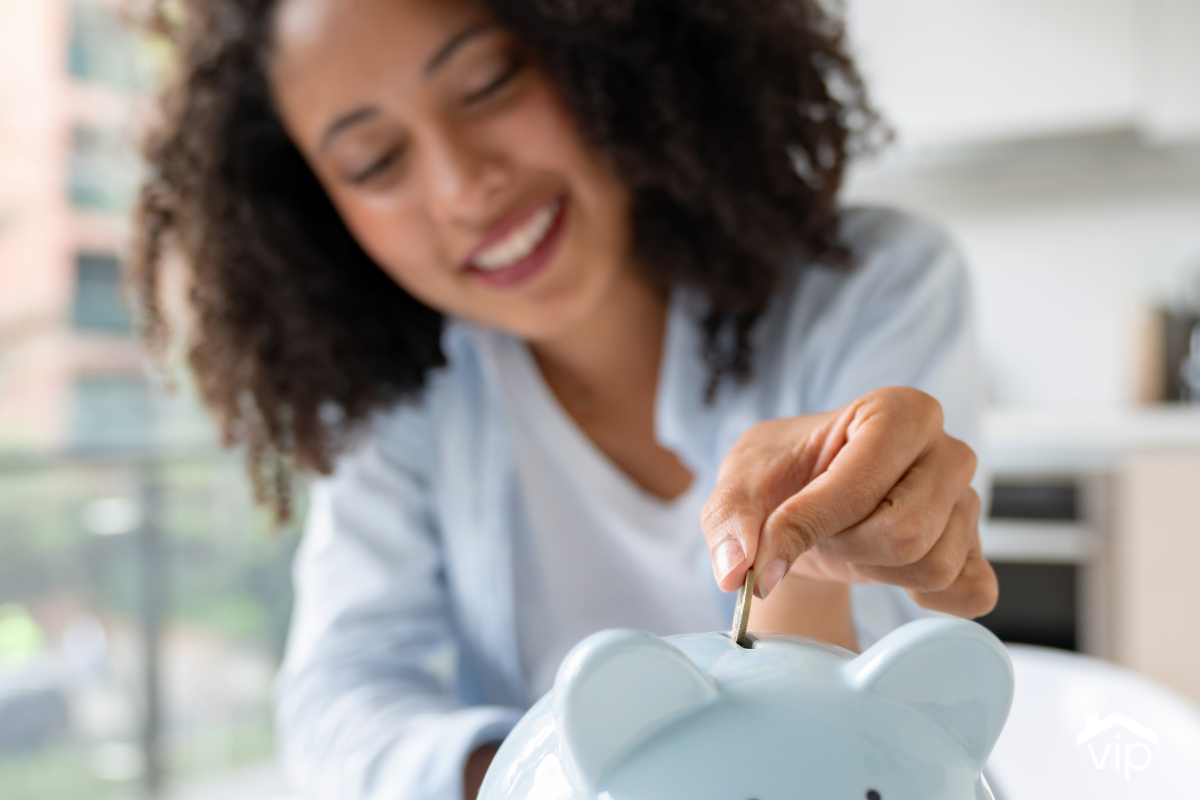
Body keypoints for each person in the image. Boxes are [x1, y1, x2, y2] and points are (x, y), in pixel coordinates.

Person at [132, 0, 998, 798]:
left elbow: (873, 728)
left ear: (605, 43)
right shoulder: (404, 396)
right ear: (318, 214)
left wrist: (807, 565)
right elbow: (340, 698)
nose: (464, 186)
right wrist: (545, 770)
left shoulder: (875, 286)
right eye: (376, 161)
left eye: (489, 84)